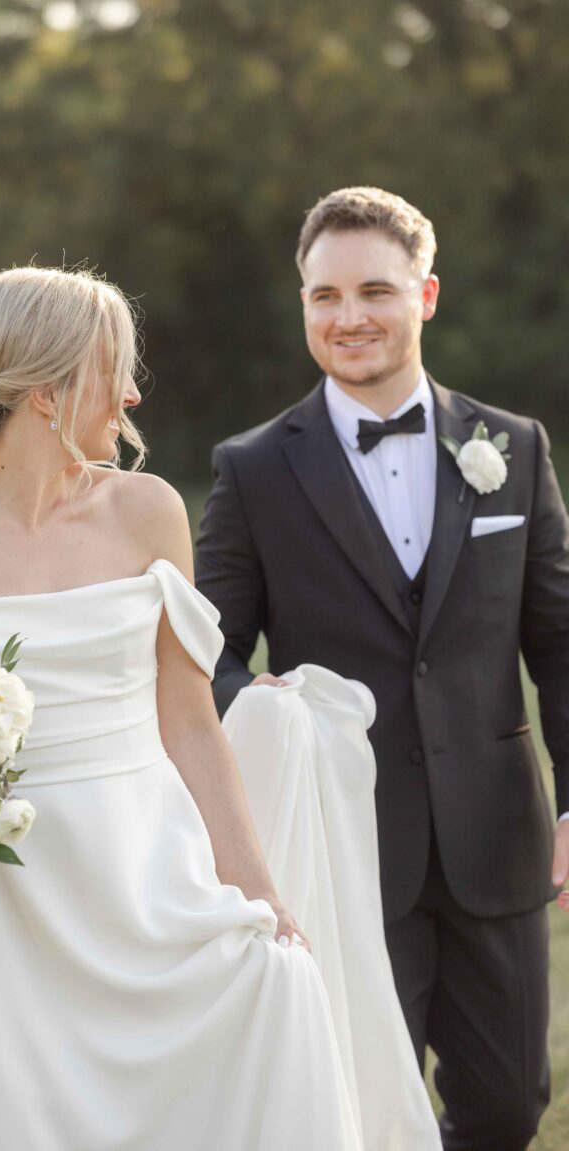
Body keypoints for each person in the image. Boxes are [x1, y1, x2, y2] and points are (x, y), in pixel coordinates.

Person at [0, 265, 379, 1151]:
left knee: (278, 996)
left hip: (149, 876)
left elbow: (189, 717)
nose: (135, 393)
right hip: (2, 907)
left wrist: (257, 886)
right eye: (115, 371)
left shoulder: (148, 512)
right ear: (47, 391)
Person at [195, 186, 569, 1151]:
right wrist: (256, 700)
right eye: (324, 296)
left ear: (427, 295)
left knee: (509, 1108)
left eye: (374, 290)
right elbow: (203, 652)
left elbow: (560, 642)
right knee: (362, 1112)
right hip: (343, 847)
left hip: (498, 840)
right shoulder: (253, 470)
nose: (348, 316)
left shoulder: (513, 450)